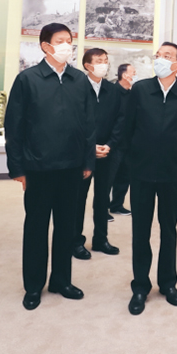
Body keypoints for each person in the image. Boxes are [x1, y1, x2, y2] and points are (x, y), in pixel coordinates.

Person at [5, 22, 96, 311]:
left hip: (72, 167)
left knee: (66, 228)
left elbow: (89, 125)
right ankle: (33, 286)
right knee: (36, 227)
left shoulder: (79, 79)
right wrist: (17, 168)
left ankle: (61, 281)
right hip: (38, 168)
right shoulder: (28, 79)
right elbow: (14, 127)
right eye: (60, 40)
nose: (67, 45)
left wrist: (88, 161)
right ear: (45, 46)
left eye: (69, 40)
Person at [125, 42, 177, 316]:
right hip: (141, 172)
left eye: (167, 56)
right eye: (158, 55)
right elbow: (128, 127)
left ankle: (168, 283)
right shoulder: (140, 89)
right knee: (140, 230)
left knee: (169, 229)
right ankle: (140, 287)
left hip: (171, 172)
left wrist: (169, 151)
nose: (160, 59)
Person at [72, 48, 126, 260]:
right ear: (87, 65)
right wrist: (90, 147)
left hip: (108, 152)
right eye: (99, 60)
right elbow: (73, 121)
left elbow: (121, 120)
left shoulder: (113, 90)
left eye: (106, 60)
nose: (104, 64)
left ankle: (101, 239)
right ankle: (75, 241)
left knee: (103, 197)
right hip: (82, 153)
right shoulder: (76, 88)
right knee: (78, 198)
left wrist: (110, 145)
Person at [109, 63, 136, 216]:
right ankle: (101, 209)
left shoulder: (132, 95)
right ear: (125, 75)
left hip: (129, 143)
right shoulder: (112, 92)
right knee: (108, 178)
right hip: (113, 143)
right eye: (133, 72)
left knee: (125, 176)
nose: (135, 75)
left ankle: (117, 205)